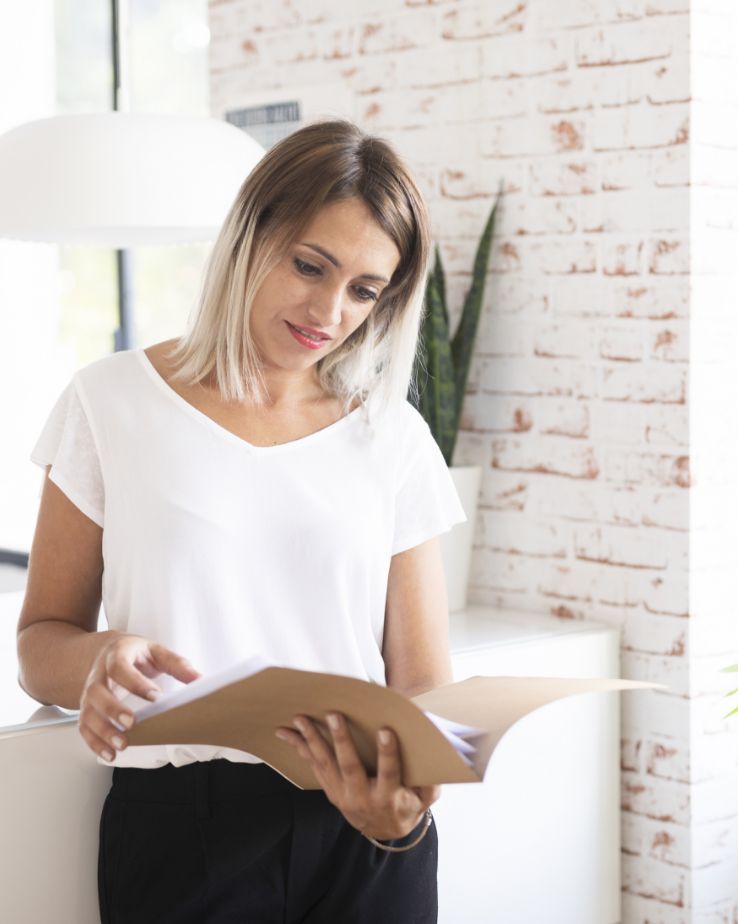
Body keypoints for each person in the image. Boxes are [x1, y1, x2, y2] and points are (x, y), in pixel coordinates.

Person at [16, 118, 467, 923]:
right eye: (309, 265)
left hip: (367, 833)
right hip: (182, 829)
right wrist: (98, 661)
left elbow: (424, 684)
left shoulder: (391, 435)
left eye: (365, 290)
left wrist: (406, 808)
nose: (330, 311)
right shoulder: (110, 401)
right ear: (250, 236)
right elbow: (40, 641)